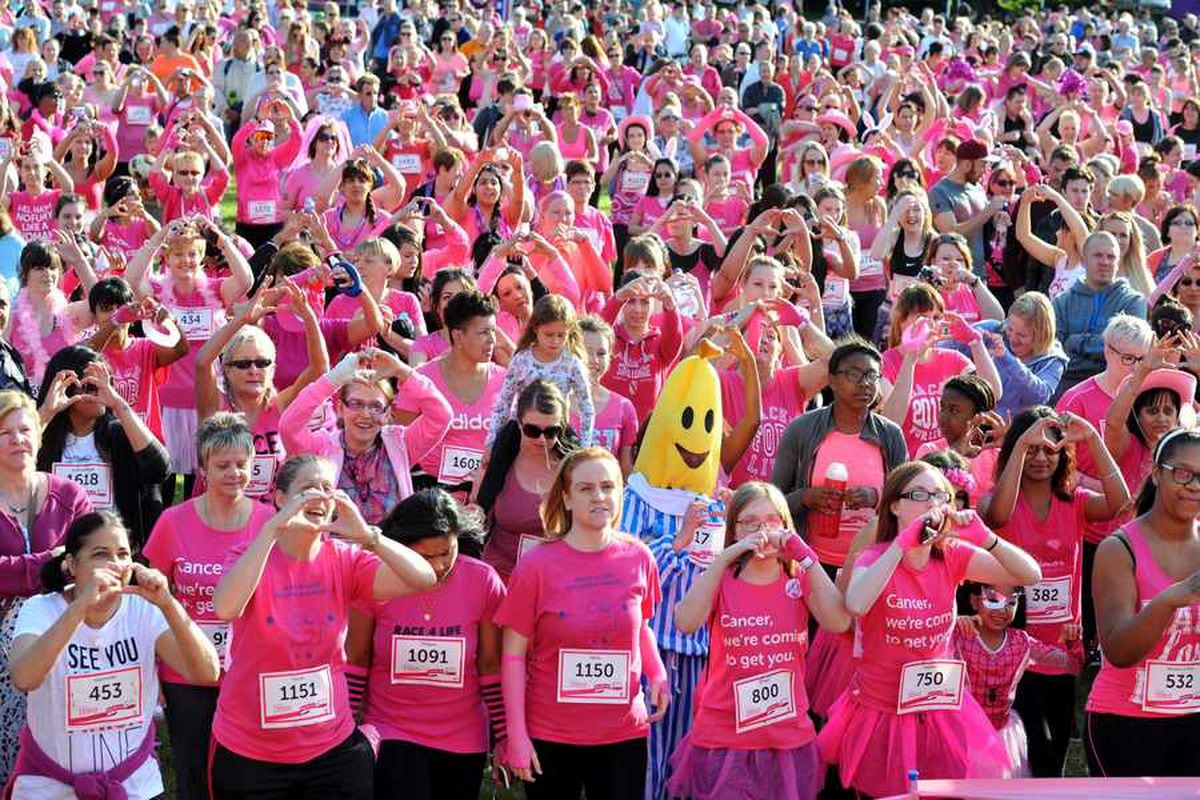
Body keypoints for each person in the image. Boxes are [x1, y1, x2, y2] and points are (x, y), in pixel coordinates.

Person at [209, 454, 437, 798]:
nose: (318, 497)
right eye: (307, 489)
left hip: (331, 749)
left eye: (327, 489)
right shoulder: (249, 555)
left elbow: (423, 578)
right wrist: (272, 530)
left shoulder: (345, 559)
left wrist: (369, 537)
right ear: (280, 497)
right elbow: (226, 607)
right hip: (251, 753)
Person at [818, 460, 1043, 796]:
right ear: (895, 505)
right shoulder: (876, 557)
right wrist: (901, 544)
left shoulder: (951, 555)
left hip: (937, 705)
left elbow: (1030, 575)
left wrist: (987, 538)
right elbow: (856, 604)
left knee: (938, 790)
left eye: (940, 495)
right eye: (920, 494)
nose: (932, 504)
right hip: (883, 709)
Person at [6, 510, 220, 799]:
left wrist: (168, 603)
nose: (115, 564)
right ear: (71, 564)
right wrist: (80, 606)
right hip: (50, 787)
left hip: (135, 786)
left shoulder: (145, 610)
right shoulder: (40, 609)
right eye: (100, 554)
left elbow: (207, 672)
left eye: (122, 554)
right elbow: (24, 678)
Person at [494, 447, 668, 799]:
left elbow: (642, 628)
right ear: (567, 499)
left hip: (623, 733)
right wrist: (516, 736)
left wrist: (658, 673)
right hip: (552, 734)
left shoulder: (639, 557)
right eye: (586, 488)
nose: (599, 496)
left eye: (608, 486)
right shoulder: (536, 566)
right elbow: (512, 656)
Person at [669, 482, 852, 800]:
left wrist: (805, 555)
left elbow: (839, 621)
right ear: (735, 529)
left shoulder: (798, 578)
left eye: (771, 521)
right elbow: (685, 621)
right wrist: (726, 556)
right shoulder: (722, 578)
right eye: (750, 522)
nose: (762, 530)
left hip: (786, 734)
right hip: (726, 734)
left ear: (785, 525)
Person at [983, 407, 1129, 777]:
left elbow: (1119, 501)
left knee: (1057, 756)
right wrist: (1020, 446)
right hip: (1012, 652)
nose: (1041, 457)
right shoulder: (999, 501)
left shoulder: (1075, 501)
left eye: (1050, 450)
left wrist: (1093, 440)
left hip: (1063, 651)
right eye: (1032, 449)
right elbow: (996, 517)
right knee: (1034, 753)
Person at [142, 412, 274, 800]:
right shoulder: (172, 522)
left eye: (242, 464)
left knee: (249, 771)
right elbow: (152, 600)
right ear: (202, 468)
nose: (234, 473)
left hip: (250, 668)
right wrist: (152, 668)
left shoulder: (269, 523)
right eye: (222, 466)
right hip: (186, 671)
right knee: (194, 769)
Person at [348, 489, 506, 800]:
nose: (438, 566)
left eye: (447, 551)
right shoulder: (375, 579)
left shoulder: (483, 581)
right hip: (391, 730)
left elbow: (491, 665)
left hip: (462, 737)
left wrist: (503, 737)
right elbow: (356, 658)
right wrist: (347, 732)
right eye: (425, 556)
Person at [1086, 428, 1200, 776]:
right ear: (1156, 473)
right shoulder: (1118, 549)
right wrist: (1167, 601)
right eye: (1183, 474)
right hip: (1124, 724)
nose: (1195, 486)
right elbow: (1119, 650)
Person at [0, 389, 92, 782]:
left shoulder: (69, 496)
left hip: (64, 634)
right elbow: (65, 563)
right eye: (5, 432)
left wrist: (21, 572)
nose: (18, 439)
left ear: (39, 435)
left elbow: (86, 561)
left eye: (25, 429)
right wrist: (51, 562)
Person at [772, 338, 908, 575]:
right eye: (853, 375)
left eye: (872, 376)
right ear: (832, 381)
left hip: (873, 566)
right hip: (810, 563)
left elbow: (907, 502)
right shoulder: (802, 429)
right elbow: (772, 502)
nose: (865, 384)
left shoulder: (890, 434)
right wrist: (805, 497)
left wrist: (876, 497)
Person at [279, 349, 452, 524]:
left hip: (388, 547)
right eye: (356, 404)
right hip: (335, 547)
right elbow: (289, 426)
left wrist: (403, 371)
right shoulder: (321, 448)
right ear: (340, 409)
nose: (366, 414)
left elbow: (441, 416)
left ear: (387, 413)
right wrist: (334, 378)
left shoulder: (401, 445)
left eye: (376, 407)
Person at [35, 347, 169, 547]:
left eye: (105, 383)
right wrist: (46, 412)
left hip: (112, 549)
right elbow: (9, 462)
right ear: (66, 389)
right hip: (56, 550)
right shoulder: (43, 438)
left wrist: (118, 404)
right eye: (90, 386)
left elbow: (159, 469)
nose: (100, 392)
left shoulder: (119, 433)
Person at [953, 582, 1080, 778]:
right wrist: (952, 623)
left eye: (1011, 603)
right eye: (993, 601)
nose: (1002, 610)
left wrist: (1073, 645)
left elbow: (1070, 666)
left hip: (1004, 734)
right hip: (964, 735)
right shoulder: (959, 637)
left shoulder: (1022, 642)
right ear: (975, 601)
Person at [393, 291, 505, 500]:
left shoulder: (505, 381)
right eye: (483, 333)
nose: (492, 340)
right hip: (428, 497)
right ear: (458, 335)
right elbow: (397, 442)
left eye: (493, 331)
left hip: (484, 498)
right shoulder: (422, 378)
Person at [476, 380, 578, 580]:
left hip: (554, 578)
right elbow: (478, 511)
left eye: (551, 432)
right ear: (520, 425)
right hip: (501, 576)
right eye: (533, 430)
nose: (541, 439)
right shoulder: (499, 462)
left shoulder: (574, 469)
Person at [1053, 231, 1150, 395]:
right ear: (1083, 260)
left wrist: (1075, 341)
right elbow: (1054, 352)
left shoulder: (1133, 302)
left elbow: (1128, 353)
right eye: (1098, 255)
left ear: (1118, 262)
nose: (1105, 262)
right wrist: (1104, 352)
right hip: (1065, 388)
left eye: (1111, 257)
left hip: (1114, 392)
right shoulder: (1062, 302)